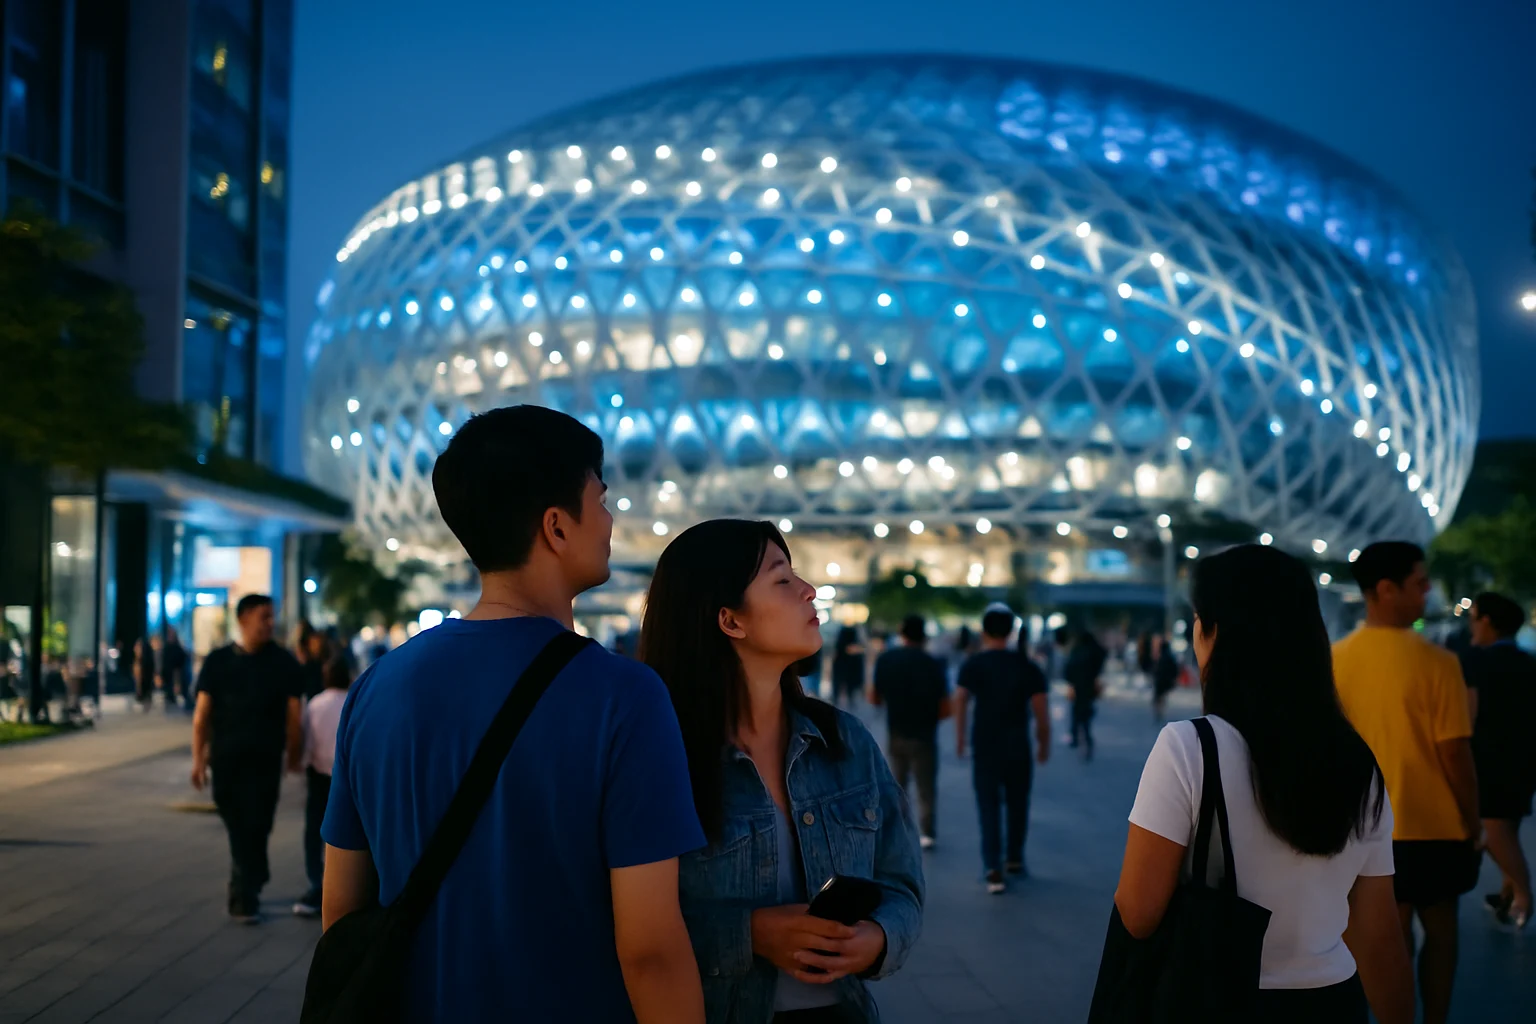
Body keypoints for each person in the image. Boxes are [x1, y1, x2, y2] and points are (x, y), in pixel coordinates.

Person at [320, 405, 705, 1023]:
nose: (609, 520)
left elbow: (342, 909)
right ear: (556, 526)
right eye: (601, 500)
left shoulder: (376, 688)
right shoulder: (624, 697)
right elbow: (651, 951)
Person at [639, 519, 923, 1024]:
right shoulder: (659, 757)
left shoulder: (845, 740)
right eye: (782, 579)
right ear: (730, 621)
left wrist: (877, 938)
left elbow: (901, 883)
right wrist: (751, 934)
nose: (809, 590)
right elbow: (634, 932)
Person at [1116, 544, 1413, 1024]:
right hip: (1331, 1002)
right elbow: (1379, 931)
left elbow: (1138, 912)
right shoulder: (1358, 762)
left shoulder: (1189, 748)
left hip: (1219, 997)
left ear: (1215, 633)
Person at [1333, 541, 1478, 1024]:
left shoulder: (1334, 662)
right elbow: (1454, 752)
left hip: (1362, 829)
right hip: (1434, 827)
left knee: (1379, 943)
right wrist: (1472, 819)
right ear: (1385, 590)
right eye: (1419, 583)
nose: (1428, 591)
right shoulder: (1440, 664)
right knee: (1441, 936)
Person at [190, 594, 304, 922]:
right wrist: (199, 759)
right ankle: (249, 883)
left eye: (272, 617)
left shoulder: (283, 662)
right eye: (264, 617)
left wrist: (294, 754)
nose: (270, 624)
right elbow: (202, 715)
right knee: (237, 823)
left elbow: (295, 715)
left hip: (265, 760)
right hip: (226, 760)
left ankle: (245, 889)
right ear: (243, 619)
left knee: (259, 823)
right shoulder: (218, 661)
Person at [954, 603, 1050, 893]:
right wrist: (1043, 742)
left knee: (988, 805)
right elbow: (1040, 709)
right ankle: (1014, 859)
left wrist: (961, 738)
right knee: (1018, 803)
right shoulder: (1027, 665)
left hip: (985, 744)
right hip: (1018, 744)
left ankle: (992, 868)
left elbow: (960, 699)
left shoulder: (974, 664)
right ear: (1010, 631)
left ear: (984, 631)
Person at [1462, 591, 1536, 928]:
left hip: (1490, 758)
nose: (1470, 624)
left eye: (1474, 616)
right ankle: (1507, 892)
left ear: (1487, 621)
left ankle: (1522, 894)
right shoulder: (1527, 660)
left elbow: (1470, 714)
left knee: (1493, 830)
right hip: (1523, 757)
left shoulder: (1478, 661)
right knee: (1509, 827)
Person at [868, 614, 948, 849]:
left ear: (901, 634)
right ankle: (928, 833)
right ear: (923, 635)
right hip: (924, 734)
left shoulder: (887, 660)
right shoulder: (933, 663)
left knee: (896, 785)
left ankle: (898, 830)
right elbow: (946, 707)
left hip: (896, 731)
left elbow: (874, 698)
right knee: (926, 787)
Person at [293, 653, 351, 919]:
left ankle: (317, 884)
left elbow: (307, 742)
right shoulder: (353, 702)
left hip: (318, 776)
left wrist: (300, 763)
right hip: (345, 776)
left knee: (313, 831)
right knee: (343, 831)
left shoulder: (316, 704)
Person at [1064, 627, 1107, 759]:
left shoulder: (1076, 651)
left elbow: (1068, 669)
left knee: (1076, 713)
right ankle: (1086, 739)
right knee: (1085, 715)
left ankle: (1076, 737)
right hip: (1089, 688)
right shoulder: (1094, 652)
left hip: (1078, 687)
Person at [830, 626, 865, 709]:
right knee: (847, 687)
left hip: (843, 668)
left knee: (841, 686)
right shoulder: (851, 645)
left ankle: (839, 700)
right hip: (847, 668)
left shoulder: (841, 644)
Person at [292, 620, 329, 700]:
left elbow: (301, 660)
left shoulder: (303, 644)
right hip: (317, 676)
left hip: (311, 676)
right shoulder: (316, 639)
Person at [160, 627, 191, 711]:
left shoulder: (177, 648)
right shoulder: (167, 648)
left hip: (176, 676)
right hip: (169, 677)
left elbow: (180, 664)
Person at [1151, 633, 1178, 723]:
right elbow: (1175, 669)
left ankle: (1159, 713)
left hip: (1160, 681)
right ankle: (1160, 712)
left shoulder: (1161, 658)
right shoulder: (1170, 657)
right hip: (1166, 681)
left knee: (1158, 698)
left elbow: (1156, 670)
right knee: (1161, 697)